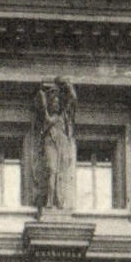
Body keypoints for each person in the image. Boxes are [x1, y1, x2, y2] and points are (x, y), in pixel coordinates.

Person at [34, 79, 76, 210]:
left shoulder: (64, 115)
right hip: (50, 142)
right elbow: (45, 115)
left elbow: (73, 98)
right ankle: (49, 201)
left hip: (62, 143)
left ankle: (59, 202)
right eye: (53, 102)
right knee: (52, 170)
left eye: (58, 103)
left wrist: (68, 86)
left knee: (61, 173)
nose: (56, 105)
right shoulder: (47, 116)